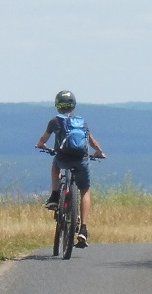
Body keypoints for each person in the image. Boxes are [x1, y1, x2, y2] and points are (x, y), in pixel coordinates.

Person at [35, 90, 107, 247]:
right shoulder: (81, 122)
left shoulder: (55, 121)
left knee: (55, 166)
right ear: (73, 105)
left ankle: (54, 197)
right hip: (81, 160)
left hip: (63, 159)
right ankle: (84, 229)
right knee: (85, 190)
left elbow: (43, 139)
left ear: (57, 105)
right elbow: (92, 141)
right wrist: (99, 152)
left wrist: (40, 145)